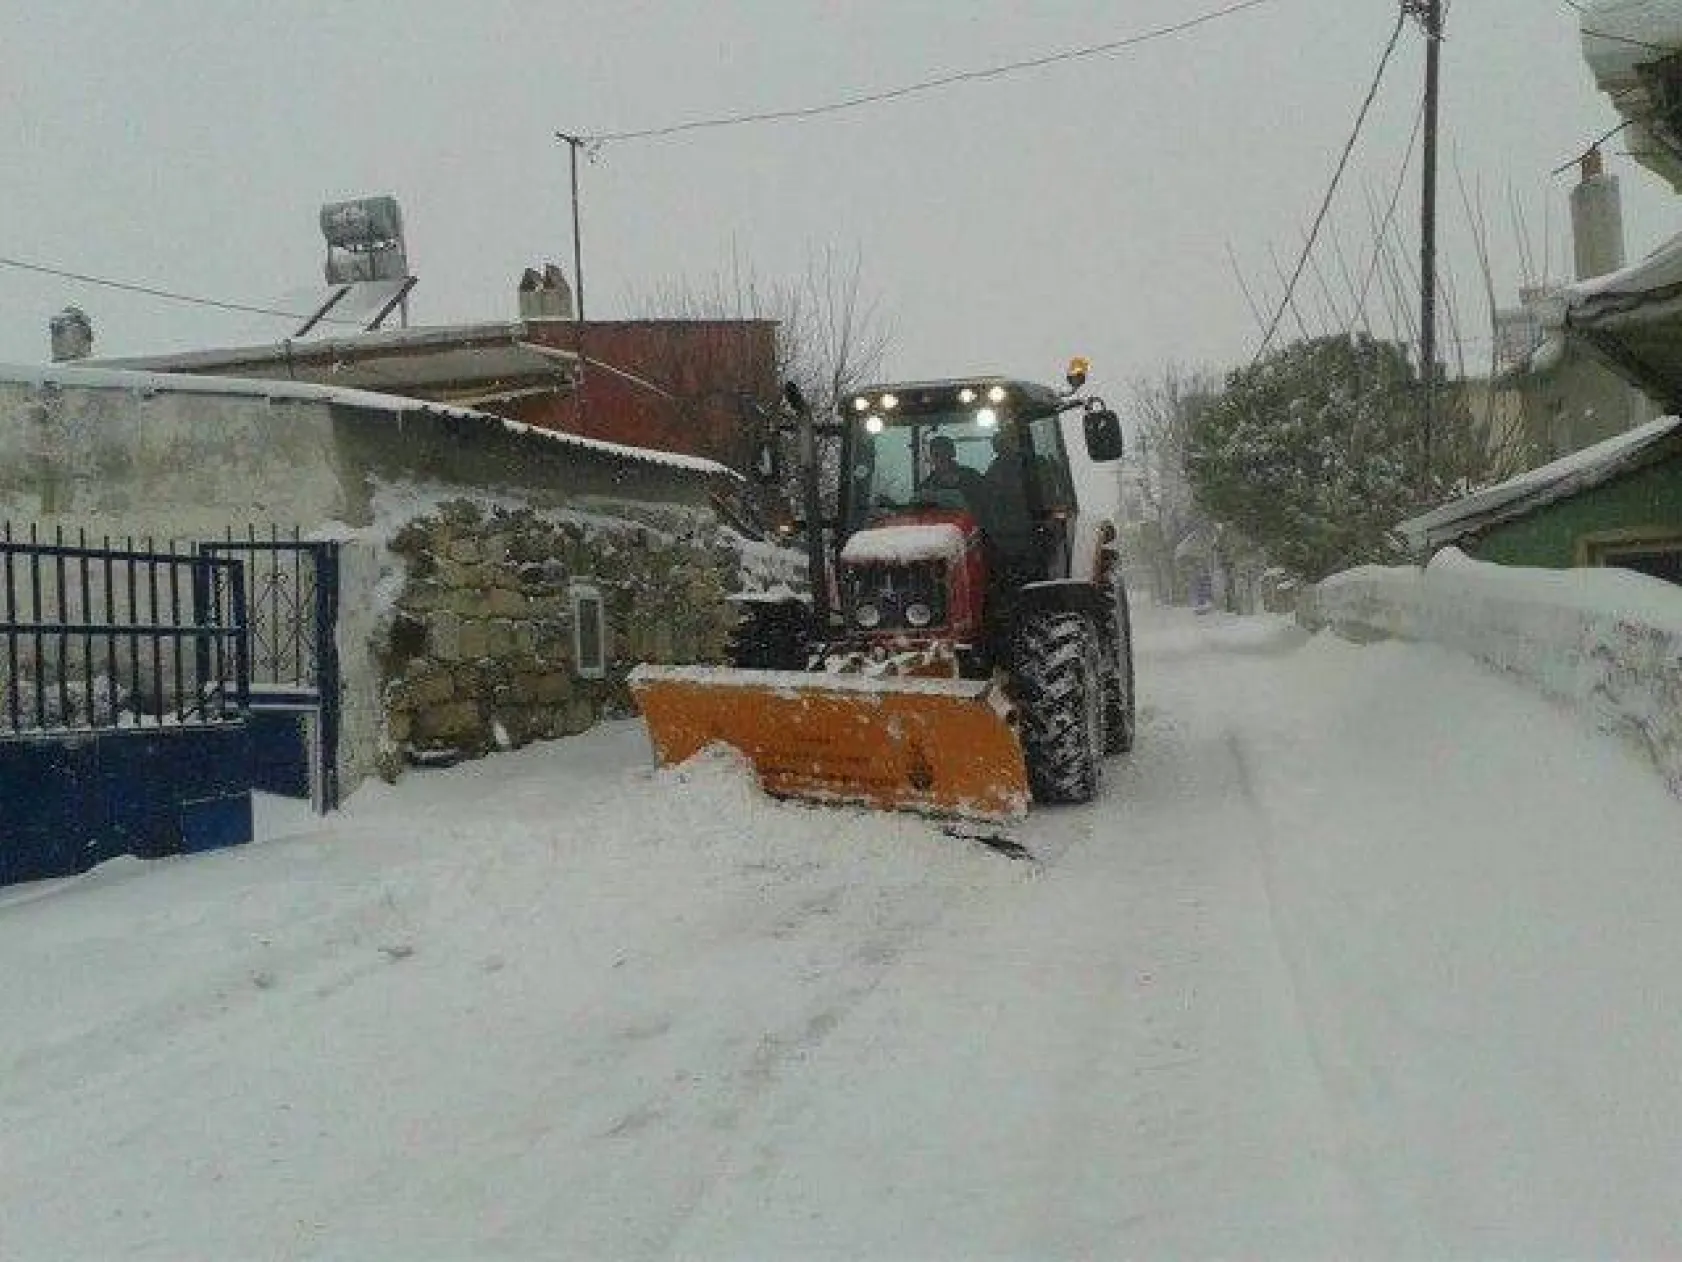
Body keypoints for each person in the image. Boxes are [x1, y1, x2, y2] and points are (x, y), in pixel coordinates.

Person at [924, 434, 985, 502]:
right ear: (931, 457)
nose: (941, 458)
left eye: (945, 453)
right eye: (936, 455)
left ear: (953, 453)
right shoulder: (928, 484)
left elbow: (985, 498)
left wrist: (961, 483)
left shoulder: (970, 476)